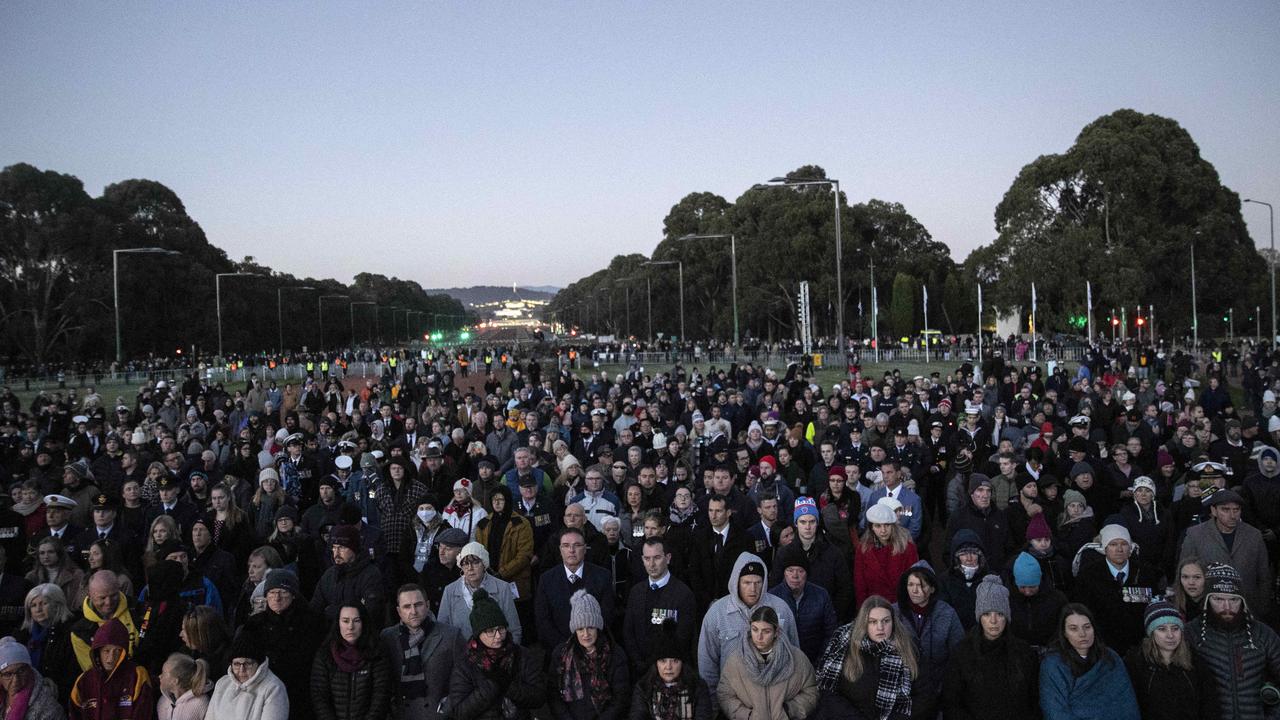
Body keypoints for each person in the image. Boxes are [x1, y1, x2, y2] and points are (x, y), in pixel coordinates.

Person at [1186, 562, 1280, 720]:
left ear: (1243, 602)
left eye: (1234, 600)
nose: (1226, 607)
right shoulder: (1191, 634)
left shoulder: (1264, 635)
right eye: (1218, 599)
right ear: (1207, 600)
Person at [696, 554, 797, 697]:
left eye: (758, 582)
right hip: (730, 697)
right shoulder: (717, 613)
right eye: (747, 583)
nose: (753, 589)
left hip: (774, 696)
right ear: (736, 582)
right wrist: (713, 702)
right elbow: (707, 662)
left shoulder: (781, 609)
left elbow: (794, 653)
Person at [942, 575, 1040, 720]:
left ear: (1007, 617)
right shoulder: (962, 653)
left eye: (1000, 614)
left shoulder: (1024, 653)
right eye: (987, 614)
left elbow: (1033, 702)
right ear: (979, 616)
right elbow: (952, 703)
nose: (993, 621)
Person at [813, 595, 924, 719]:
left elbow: (924, 694)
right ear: (863, 623)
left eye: (886, 621)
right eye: (873, 622)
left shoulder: (908, 646)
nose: (880, 627)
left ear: (893, 621)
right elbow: (827, 690)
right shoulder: (843, 644)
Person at [235, 570, 323, 720]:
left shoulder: (312, 622)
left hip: (301, 694)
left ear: (293, 594)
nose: (277, 597)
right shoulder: (254, 624)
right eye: (272, 592)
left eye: (283, 592)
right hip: (263, 694)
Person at [446, 589, 545, 720]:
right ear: (478, 634)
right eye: (490, 631)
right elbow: (459, 712)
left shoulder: (522, 655)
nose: (498, 636)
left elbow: (539, 698)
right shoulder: (465, 663)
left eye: (501, 629)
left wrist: (509, 686)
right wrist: (492, 685)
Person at [1071, 523, 1164, 656]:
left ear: (1130, 547)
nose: (1119, 549)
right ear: (1105, 548)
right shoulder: (1088, 576)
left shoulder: (1145, 573)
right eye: (1113, 544)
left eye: (1124, 544)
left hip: (1140, 647)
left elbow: (1154, 605)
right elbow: (1082, 612)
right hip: (1103, 647)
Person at [1178, 488, 1273, 617]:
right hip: (1206, 609)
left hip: (1247, 609)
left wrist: (1261, 609)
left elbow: (1264, 577)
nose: (1232, 515)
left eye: (1236, 510)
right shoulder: (1195, 535)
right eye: (1225, 510)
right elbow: (1184, 571)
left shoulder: (1254, 535)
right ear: (1213, 511)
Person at [1038, 603, 1139, 720]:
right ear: (1064, 633)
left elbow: (1126, 703)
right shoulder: (1053, 664)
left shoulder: (1110, 657)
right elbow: (1054, 710)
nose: (1082, 634)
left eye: (1087, 627)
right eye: (1073, 629)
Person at [715, 605, 817, 720]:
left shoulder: (797, 659)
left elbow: (811, 690)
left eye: (766, 631)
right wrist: (746, 716)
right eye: (755, 629)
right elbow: (725, 695)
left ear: (776, 632)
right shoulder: (736, 661)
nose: (759, 637)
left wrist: (790, 710)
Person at [1122, 600, 1219, 720]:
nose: (1170, 635)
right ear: (1152, 633)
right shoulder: (1136, 663)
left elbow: (1209, 704)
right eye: (1162, 629)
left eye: (1175, 628)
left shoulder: (1195, 662)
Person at [379, 583, 462, 720]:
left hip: (438, 715)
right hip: (400, 714)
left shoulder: (451, 636)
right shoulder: (387, 637)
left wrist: (447, 708)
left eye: (418, 605)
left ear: (427, 605)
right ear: (399, 611)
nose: (413, 611)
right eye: (407, 606)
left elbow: (464, 679)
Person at [893, 561, 962, 716]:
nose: (914, 590)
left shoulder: (947, 613)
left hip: (938, 689)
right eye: (910, 585)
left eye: (921, 585)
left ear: (932, 588)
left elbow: (958, 653)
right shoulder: (893, 613)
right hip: (901, 691)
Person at [548, 589, 629, 719]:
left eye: (590, 627)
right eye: (580, 629)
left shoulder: (615, 655)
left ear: (598, 627)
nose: (586, 634)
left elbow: (620, 699)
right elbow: (554, 694)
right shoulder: (560, 654)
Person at [623, 536, 697, 677]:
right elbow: (628, 632)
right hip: (639, 672)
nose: (651, 564)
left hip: (670, 671)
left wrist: (657, 663)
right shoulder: (636, 592)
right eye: (647, 558)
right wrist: (638, 662)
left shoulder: (683, 594)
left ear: (668, 558)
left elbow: (683, 636)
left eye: (657, 558)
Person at [535, 527, 615, 652]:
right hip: (558, 652)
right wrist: (565, 648)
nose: (571, 550)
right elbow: (543, 621)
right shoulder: (546, 579)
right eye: (566, 546)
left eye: (577, 545)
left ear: (585, 549)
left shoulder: (603, 576)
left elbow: (606, 617)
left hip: (595, 650)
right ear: (560, 550)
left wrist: (588, 645)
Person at [310, 603, 392, 720]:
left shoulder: (377, 653)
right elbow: (319, 696)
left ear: (364, 623)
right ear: (338, 623)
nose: (350, 627)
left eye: (356, 621)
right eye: (345, 621)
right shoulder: (325, 654)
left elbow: (381, 695)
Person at [69, 618, 156, 720]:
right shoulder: (84, 680)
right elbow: (74, 714)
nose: (111, 657)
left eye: (117, 651)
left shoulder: (137, 675)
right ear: (98, 652)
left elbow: (143, 713)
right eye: (106, 651)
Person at [768, 541, 838, 665]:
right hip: (781, 663)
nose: (795, 576)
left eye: (800, 571)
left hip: (814, 662)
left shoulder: (821, 595)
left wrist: (820, 661)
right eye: (790, 570)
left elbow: (830, 632)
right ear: (784, 573)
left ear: (807, 574)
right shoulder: (772, 597)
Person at [438, 543, 522, 644]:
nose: (470, 568)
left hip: (497, 653)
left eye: (475, 562)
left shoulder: (502, 588)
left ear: (484, 564)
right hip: (461, 655)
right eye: (465, 563)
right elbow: (442, 630)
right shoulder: (450, 591)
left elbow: (514, 629)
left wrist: (507, 656)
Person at [15, 583, 79, 704]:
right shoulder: (22, 634)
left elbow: (73, 671)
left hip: (60, 697)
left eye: (44, 604)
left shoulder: (70, 633)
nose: (38, 609)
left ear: (57, 605)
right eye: (33, 605)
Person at [310, 524, 387, 624]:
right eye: (334, 547)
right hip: (331, 634)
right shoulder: (329, 575)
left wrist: (331, 612)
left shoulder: (371, 574)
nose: (336, 553)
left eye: (341, 547)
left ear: (354, 549)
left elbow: (370, 612)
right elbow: (315, 608)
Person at [474, 486, 535, 603]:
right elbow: (478, 551)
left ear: (507, 500)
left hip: (514, 581)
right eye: (494, 500)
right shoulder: (483, 523)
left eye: (500, 499)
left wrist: (502, 573)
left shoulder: (521, 523)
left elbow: (525, 555)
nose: (496, 503)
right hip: (487, 579)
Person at [208, 634, 290, 720]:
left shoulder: (274, 688)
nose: (241, 669)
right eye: (236, 664)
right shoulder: (223, 684)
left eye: (247, 663)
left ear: (259, 664)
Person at [69, 571, 138, 672]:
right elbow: (91, 669)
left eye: (114, 595)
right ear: (89, 595)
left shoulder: (138, 610)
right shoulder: (80, 631)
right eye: (102, 598)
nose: (108, 602)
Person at [854, 502, 918, 608]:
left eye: (887, 525)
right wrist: (864, 609)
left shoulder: (907, 548)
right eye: (878, 526)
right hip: (875, 606)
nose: (883, 530)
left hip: (902, 606)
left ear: (893, 526)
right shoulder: (863, 549)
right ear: (871, 528)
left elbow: (914, 580)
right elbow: (860, 584)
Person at [1008, 551, 1068, 649]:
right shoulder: (1007, 599)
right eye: (1022, 587)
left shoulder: (1057, 599)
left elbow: (1063, 627)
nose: (1027, 592)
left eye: (1032, 587)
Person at [0, 636, 65, 719]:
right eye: (8, 674)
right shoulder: (3, 696)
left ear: (30, 670)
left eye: (21, 671)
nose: (16, 680)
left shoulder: (47, 706)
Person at [156, 652, 210, 720]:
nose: (159, 676)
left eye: (163, 673)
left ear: (175, 681)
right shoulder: (162, 702)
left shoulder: (201, 704)